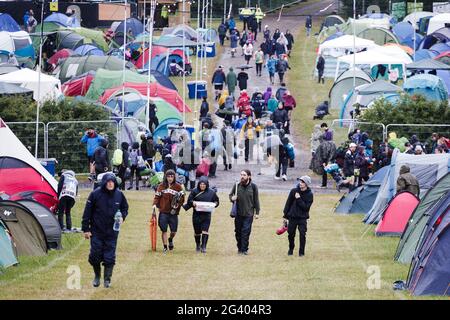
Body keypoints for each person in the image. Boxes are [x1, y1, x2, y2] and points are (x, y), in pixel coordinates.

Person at [82, 173, 129, 288]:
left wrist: (122, 216)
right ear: (104, 183)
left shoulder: (119, 194)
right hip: (96, 231)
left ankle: (107, 280)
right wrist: (86, 229)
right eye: (108, 182)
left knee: (109, 257)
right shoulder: (95, 194)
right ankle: (97, 276)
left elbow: (125, 208)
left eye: (112, 182)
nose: (110, 183)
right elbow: (87, 212)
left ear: (115, 183)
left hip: (112, 232)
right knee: (95, 255)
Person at [183, 176, 219, 253]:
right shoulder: (194, 191)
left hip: (206, 215)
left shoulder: (211, 192)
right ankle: (198, 245)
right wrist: (193, 203)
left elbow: (217, 201)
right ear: (199, 184)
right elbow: (189, 201)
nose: (202, 186)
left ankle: (204, 247)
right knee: (197, 232)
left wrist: (214, 205)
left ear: (207, 185)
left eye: (204, 184)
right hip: (196, 214)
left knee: (205, 230)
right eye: (201, 184)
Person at [153, 170, 185, 253]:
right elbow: (157, 196)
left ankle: (170, 239)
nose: (170, 178)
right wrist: (154, 204)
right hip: (163, 211)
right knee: (164, 230)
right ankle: (165, 247)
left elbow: (182, 199)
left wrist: (177, 205)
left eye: (172, 176)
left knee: (173, 231)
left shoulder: (178, 187)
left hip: (173, 212)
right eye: (168, 176)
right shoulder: (161, 186)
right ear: (166, 177)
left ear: (174, 177)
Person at [229, 170, 260, 255]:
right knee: (238, 232)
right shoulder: (236, 185)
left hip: (249, 214)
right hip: (238, 214)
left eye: (244, 175)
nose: (242, 176)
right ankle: (240, 248)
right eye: (241, 175)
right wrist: (232, 198)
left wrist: (257, 212)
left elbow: (256, 200)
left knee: (245, 232)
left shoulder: (253, 187)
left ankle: (244, 249)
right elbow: (230, 195)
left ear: (249, 176)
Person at [283, 176, 314, 256]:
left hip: (302, 218)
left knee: (302, 234)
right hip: (292, 217)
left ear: (306, 184)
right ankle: (291, 248)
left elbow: (306, 208)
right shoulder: (294, 191)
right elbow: (288, 204)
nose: (301, 183)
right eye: (300, 181)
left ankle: (301, 252)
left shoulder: (309, 195)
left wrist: (299, 199)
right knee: (290, 234)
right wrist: (285, 217)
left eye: (303, 182)